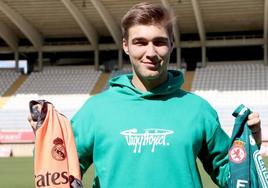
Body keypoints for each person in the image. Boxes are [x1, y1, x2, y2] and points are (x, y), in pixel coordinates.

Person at [28, 2, 262, 188]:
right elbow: (60, 171)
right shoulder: (96, 109)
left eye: (159, 42)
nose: (150, 52)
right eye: (140, 42)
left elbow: (231, 177)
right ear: (126, 46)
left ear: (171, 44)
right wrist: (45, 137)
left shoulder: (197, 109)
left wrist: (251, 145)